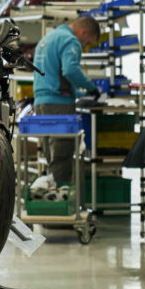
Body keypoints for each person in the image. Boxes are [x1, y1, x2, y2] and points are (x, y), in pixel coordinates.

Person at [32, 15, 101, 183]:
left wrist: (80, 94)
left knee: (51, 151)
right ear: (84, 32)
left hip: (41, 103)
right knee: (62, 152)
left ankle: (53, 194)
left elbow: (53, 77)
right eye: (87, 43)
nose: (84, 47)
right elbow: (70, 70)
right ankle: (62, 195)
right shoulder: (70, 40)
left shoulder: (47, 38)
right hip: (58, 105)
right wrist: (91, 88)